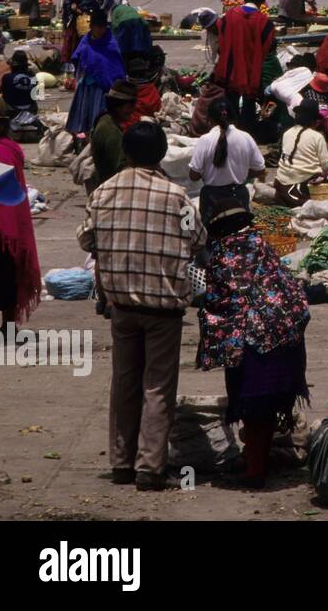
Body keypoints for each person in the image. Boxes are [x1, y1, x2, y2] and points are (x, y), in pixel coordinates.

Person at [79, 123, 207, 491]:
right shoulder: (177, 197)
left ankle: (121, 463)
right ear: (161, 153)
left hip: (120, 303)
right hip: (163, 307)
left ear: (129, 154)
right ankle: (149, 467)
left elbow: (87, 238)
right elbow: (198, 239)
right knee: (157, 387)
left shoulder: (104, 193)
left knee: (124, 383)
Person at [196, 207, 309, 489]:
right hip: (285, 336)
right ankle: (257, 458)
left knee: (253, 406)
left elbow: (217, 302)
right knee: (267, 406)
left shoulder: (221, 255)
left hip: (252, 343)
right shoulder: (263, 246)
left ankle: (255, 468)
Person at [0, 96, 42, 330]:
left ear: (1, 125)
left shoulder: (4, 151)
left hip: (2, 227)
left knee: (6, 279)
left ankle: (8, 326)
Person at [189, 98, 266, 225]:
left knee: (212, 234)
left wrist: (209, 173)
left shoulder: (205, 140)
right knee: (239, 233)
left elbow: (193, 176)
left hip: (212, 199)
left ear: (209, 119)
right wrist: (242, 173)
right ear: (233, 116)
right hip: (238, 196)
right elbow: (260, 169)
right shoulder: (245, 137)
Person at [213, 0, 275, 133]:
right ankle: (247, 131)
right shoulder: (264, 21)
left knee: (230, 99)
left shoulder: (229, 16)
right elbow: (267, 46)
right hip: (251, 68)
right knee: (249, 101)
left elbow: (220, 36)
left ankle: (230, 128)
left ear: (244, 0)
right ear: (260, 3)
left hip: (231, 66)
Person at [65, 10, 124, 136]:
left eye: (103, 27)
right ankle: (84, 135)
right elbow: (77, 57)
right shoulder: (86, 40)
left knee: (99, 114)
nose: (100, 30)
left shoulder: (111, 44)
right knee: (85, 112)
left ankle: (98, 135)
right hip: (87, 84)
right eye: (97, 27)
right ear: (91, 27)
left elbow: (115, 66)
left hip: (103, 87)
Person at [272, 99, 328, 207]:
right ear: (315, 121)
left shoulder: (287, 133)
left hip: (281, 182)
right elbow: (327, 165)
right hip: (300, 184)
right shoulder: (317, 137)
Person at [88, 80, 142, 191]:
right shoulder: (112, 132)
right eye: (130, 105)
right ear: (118, 106)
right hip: (112, 188)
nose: (133, 109)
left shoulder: (104, 118)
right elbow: (123, 169)